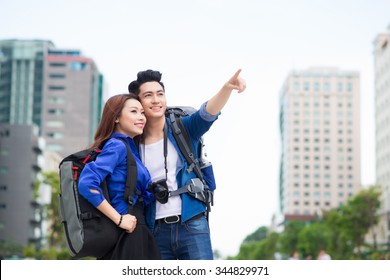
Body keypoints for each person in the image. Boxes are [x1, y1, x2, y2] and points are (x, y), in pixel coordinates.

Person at [128, 69, 246, 260]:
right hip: (154, 229)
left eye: (160, 94)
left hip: (192, 224)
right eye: (148, 96)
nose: (156, 100)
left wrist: (227, 88)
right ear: (138, 103)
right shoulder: (131, 142)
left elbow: (207, 114)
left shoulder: (183, 128)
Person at [78, 93, 161, 260]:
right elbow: (87, 184)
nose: (141, 117)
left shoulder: (130, 149)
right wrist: (119, 219)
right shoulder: (117, 146)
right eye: (134, 111)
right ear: (116, 118)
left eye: (142, 113)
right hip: (126, 229)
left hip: (133, 227)